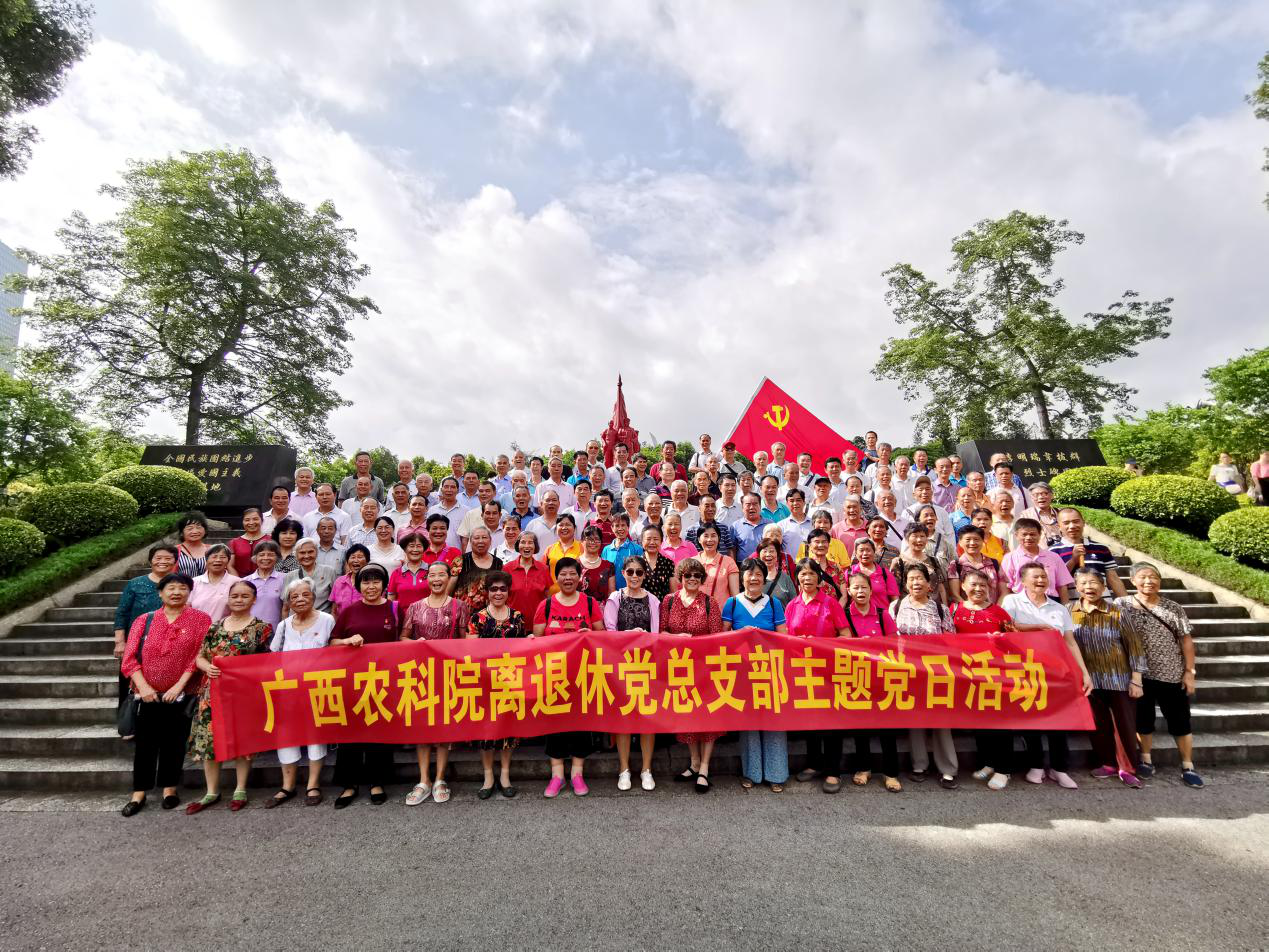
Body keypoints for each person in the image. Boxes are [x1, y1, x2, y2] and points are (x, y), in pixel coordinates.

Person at [119, 572, 211, 816]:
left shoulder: (201, 620)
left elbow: (199, 656)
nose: (176, 592)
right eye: (171, 588)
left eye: (182, 588)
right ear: (160, 593)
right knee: (145, 744)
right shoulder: (144, 620)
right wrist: (144, 687)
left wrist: (178, 686)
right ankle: (139, 792)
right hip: (146, 694)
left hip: (182, 693)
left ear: (189, 592)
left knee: (175, 742)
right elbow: (129, 658)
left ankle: (170, 788)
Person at [186, 579, 272, 814]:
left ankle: (240, 789)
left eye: (245, 596)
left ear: (254, 600)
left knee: (242, 739)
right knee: (210, 740)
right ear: (228, 599)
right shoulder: (215, 626)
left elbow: (267, 661)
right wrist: (207, 667)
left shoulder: (262, 628)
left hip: (245, 693)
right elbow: (200, 657)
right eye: (234, 596)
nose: (239, 600)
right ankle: (211, 791)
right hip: (212, 693)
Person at [1114, 562, 1204, 787]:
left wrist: (1190, 672)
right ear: (1132, 581)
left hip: (1171, 674)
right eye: (1143, 577)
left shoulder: (1173, 607)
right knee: (1143, 721)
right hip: (1137, 676)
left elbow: (1186, 640)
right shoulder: (1122, 605)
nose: (1148, 581)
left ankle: (1187, 765)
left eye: (1153, 577)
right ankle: (1146, 760)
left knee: (1180, 721)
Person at [1002, 563, 1090, 789]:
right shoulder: (1012, 601)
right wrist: (1040, 626)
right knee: (1031, 720)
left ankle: (1059, 768)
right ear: (1022, 581)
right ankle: (1036, 765)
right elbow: (1009, 627)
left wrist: (1084, 673)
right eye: (1035, 577)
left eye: (1043, 576)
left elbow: (1070, 642)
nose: (1041, 580)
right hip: (1024, 671)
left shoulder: (1059, 608)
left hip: (1056, 672)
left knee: (1059, 721)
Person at [533, 558, 606, 798]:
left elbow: (602, 634)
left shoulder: (589, 602)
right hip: (553, 675)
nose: (567, 578)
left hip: (582, 674)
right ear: (556, 578)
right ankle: (557, 775)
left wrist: (589, 635)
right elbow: (536, 639)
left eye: (572, 574)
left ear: (579, 577)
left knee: (580, 722)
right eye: (563, 574)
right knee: (554, 722)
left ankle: (577, 773)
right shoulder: (545, 605)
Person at [1069, 569, 1147, 788]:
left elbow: (1135, 646)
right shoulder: (1069, 611)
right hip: (1088, 681)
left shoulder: (1117, 612)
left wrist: (1137, 679)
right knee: (1097, 724)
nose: (1089, 587)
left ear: (1103, 587)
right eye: (1084, 583)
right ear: (1077, 587)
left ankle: (1128, 768)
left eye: (1094, 582)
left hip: (1118, 679)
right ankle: (1107, 763)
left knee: (1124, 726)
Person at [329, 564, 399, 808]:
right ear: (359, 586)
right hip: (353, 680)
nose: (371, 587)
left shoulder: (394, 609)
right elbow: (332, 642)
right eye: (366, 582)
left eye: (376, 581)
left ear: (384, 585)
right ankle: (349, 784)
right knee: (351, 732)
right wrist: (347, 641)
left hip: (384, 679)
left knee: (379, 731)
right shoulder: (349, 611)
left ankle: (377, 782)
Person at [401, 561, 470, 805]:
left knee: (443, 727)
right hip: (421, 674)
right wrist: (417, 644)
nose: (437, 579)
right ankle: (423, 780)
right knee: (423, 727)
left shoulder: (460, 606)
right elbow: (403, 638)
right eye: (432, 575)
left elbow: (465, 641)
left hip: (448, 673)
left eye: (442, 575)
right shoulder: (414, 607)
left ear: (449, 578)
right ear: (426, 579)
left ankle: (440, 778)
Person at [266, 579, 336, 807]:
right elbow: (274, 656)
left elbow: (335, 651)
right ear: (288, 601)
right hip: (287, 690)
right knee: (286, 735)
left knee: (315, 735)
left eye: (305, 594)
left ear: (314, 597)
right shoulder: (284, 625)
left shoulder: (327, 620)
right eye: (294, 596)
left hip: (317, 688)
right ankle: (287, 786)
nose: (300, 599)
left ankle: (313, 784)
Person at [722, 558, 790, 791]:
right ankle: (751, 773)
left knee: (774, 721)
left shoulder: (773, 603)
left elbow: (783, 637)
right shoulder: (732, 603)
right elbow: (722, 637)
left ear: (764, 578)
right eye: (749, 574)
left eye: (758, 574)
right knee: (749, 722)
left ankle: (776, 774)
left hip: (770, 670)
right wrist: (740, 634)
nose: (754, 578)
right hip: (742, 672)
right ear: (742, 578)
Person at [890, 563, 958, 789]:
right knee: (915, 719)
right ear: (905, 584)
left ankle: (948, 768)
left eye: (920, 578)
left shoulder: (940, 609)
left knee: (941, 720)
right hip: (908, 670)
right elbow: (889, 638)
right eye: (911, 579)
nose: (915, 582)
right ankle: (919, 764)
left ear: (930, 585)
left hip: (936, 671)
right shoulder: (896, 607)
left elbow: (951, 639)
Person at [661, 558, 725, 794]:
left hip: (705, 668)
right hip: (680, 668)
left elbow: (717, 637)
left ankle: (704, 768)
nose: (692, 579)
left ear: (702, 579)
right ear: (681, 577)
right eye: (688, 575)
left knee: (707, 718)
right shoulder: (669, 601)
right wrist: (677, 639)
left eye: (697, 576)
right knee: (688, 716)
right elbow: (662, 632)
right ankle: (694, 762)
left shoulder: (710, 603)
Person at [786, 559, 850, 793]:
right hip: (802, 672)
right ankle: (814, 764)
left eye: (811, 573)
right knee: (809, 720)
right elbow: (786, 638)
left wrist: (821, 644)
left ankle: (833, 771)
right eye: (802, 574)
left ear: (819, 577)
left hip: (828, 671)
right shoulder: (792, 605)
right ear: (797, 578)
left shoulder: (830, 603)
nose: (807, 578)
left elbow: (846, 636)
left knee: (832, 722)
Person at [952, 570, 1018, 790]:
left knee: (1001, 722)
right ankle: (988, 762)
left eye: (983, 585)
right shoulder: (954, 610)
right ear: (963, 586)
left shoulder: (999, 612)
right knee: (979, 721)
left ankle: (1004, 769)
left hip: (995, 674)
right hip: (967, 675)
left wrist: (1003, 640)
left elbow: (1015, 642)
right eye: (973, 584)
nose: (978, 589)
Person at [466, 571, 526, 799]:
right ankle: (488, 776)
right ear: (487, 592)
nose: (498, 593)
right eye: (493, 589)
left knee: (509, 730)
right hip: (485, 681)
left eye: (502, 589)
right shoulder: (477, 618)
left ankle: (505, 775)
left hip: (511, 680)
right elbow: (471, 651)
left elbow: (524, 649)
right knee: (486, 731)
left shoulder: (518, 616)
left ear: (508, 591)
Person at [603, 555, 661, 792]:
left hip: (647, 664)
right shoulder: (615, 598)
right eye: (630, 572)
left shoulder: (653, 600)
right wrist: (631, 635)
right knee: (624, 718)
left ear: (645, 575)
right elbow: (609, 632)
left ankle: (647, 769)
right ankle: (624, 769)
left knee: (647, 718)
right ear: (623, 574)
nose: (634, 576)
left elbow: (656, 634)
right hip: (621, 665)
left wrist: (644, 639)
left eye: (639, 572)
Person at [841, 572, 902, 791]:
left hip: (883, 675)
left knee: (888, 727)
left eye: (864, 587)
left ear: (871, 590)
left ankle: (891, 772)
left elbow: (895, 644)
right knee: (861, 726)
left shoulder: (883, 614)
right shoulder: (844, 615)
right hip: (857, 675)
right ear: (849, 591)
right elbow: (839, 644)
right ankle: (863, 768)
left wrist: (876, 646)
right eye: (855, 588)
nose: (860, 591)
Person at [113, 545, 178, 712]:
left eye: (168, 558)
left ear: (175, 562)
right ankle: (127, 718)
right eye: (158, 558)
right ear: (150, 561)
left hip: (169, 643)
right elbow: (122, 612)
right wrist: (120, 642)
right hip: (138, 643)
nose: (162, 561)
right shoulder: (135, 584)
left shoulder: (180, 584)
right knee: (129, 682)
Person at [1050, 508, 1127, 597]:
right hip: (1072, 603)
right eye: (1066, 523)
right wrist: (1073, 560)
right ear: (1058, 526)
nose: (1072, 526)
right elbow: (1055, 580)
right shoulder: (1053, 552)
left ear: (1083, 522)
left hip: (1103, 602)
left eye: (1076, 521)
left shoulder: (1101, 548)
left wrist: (1126, 602)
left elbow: (1113, 578)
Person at [1001, 518, 1074, 603]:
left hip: (1051, 601)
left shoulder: (1053, 557)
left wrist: (1065, 607)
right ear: (1016, 535)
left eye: (1032, 534)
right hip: (1021, 602)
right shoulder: (1009, 558)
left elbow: (1062, 586)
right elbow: (1006, 586)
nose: (1028, 538)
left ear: (1040, 535)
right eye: (1024, 534)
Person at [891, 524, 951, 603]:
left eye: (922, 536)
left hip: (933, 606)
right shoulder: (899, 562)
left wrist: (944, 607)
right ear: (907, 539)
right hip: (910, 607)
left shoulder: (933, 560)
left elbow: (940, 587)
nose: (919, 540)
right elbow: (894, 590)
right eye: (915, 536)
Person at [449, 526, 503, 613]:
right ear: (470, 541)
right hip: (461, 613)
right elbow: (449, 589)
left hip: (489, 614)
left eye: (484, 537)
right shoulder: (460, 560)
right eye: (476, 538)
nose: (480, 541)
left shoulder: (498, 563)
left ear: (490, 541)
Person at [948, 526, 1004, 604]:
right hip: (967, 610)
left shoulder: (994, 563)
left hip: (993, 609)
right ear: (960, 542)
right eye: (968, 539)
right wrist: (972, 609)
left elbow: (1003, 591)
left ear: (983, 541)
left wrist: (995, 609)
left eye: (976, 539)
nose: (972, 543)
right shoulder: (956, 565)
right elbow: (955, 595)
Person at [506, 531, 551, 622]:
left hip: (538, 622)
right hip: (512, 623)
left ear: (535, 546)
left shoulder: (544, 569)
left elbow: (548, 598)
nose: (526, 546)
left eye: (530, 542)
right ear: (518, 545)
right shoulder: (507, 568)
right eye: (523, 542)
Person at [283, 538, 338, 613]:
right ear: (296, 555)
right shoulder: (290, 576)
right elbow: (286, 607)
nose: (306, 556)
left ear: (317, 553)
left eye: (310, 552)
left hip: (322, 618)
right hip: (297, 618)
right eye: (302, 553)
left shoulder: (329, 572)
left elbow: (335, 604)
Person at [847, 537, 898, 609]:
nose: (865, 553)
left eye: (868, 550)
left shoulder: (885, 573)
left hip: (881, 614)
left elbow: (894, 600)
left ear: (874, 552)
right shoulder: (850, 572)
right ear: (856, 553)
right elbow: (844, 597)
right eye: (861, 550)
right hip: (856, 615)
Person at [243, 540, 285, 627]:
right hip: (250, 629)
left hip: (276, 629)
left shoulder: (285, 579)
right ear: (255, 558)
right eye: (261, 555)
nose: (266, 558)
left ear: (277, 558)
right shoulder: (245, 581)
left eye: (270, 555)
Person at [190, 544, 235, 623]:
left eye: (223, 557)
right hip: (197, 627)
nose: (218, 560)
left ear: (228, 560)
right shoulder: (194, 582)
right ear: (206, 559)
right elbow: (187, 607)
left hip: (224, 628)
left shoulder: (236, 582)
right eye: (214, 557)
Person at [386, 533, 429, 614]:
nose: (415, 550)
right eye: (411, 546)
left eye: (419, 546)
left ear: (424, 549)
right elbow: (391, 598)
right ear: (405, 549)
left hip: (427, 617)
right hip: (403, 618)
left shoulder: (432, 571)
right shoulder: (396, 573)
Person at [574, 525, 615, 601]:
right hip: (579, 607)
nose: (593, 542)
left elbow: (611, 594)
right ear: (582, 541)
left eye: (597, 539)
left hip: (602, 608)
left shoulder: (609, 566)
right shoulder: (574, 564)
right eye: (589, 539)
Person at [330, 544, 370, 619]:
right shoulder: (339, 582)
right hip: (342, 624)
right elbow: (334, 610)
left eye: (360, 557)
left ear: (367, 561)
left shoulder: (373, 583)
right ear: (347, 561)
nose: (356, 560)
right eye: (352, 557)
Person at [602, 512, 643, 584]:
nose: (620, 529)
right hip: (610, 589)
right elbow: (603, 572)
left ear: (628, 527)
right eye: (617, 526)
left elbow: (640, 573)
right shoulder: (606, 550)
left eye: (623, 525)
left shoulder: (637, 549)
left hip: (630, 589)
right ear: (612, 528)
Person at [639, 525, 678, 600]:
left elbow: (673, 591)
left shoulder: (668, 563)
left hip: (663, 606)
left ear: (661, 542)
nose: (652, 542)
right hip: (641, 605)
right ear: (642, 542)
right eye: (648, 539)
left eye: (656, 539)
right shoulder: (637, 563)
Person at [755, 536, 797, 605]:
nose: (768, 554)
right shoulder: (754, 578)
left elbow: (794, 603)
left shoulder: (785, 578)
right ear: (759, 555)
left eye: (772, 551)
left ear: (777, 555)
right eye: (765, 551)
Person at [1019, 482, 1061, 547]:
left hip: (1064, 550)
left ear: (1052, 495)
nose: (1041, 497)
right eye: (1036, 495)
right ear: (1031, 498)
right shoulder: (1025, 515)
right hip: (1039, 551)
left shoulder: (1060, 512)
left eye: (1045, 493)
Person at [228, 508, 267, 577]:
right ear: (242, 522)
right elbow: (230, 566)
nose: (251, 523)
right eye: (247, 520)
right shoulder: (234, 542)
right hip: (240, 580)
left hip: (266, 579)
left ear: (262, 520)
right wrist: (239, 581)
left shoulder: (271, 540)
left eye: (255, 519)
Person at [175, 512, 211, 576]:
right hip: (181, 582)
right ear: (182, 532)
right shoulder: (174, 550)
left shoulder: (212, 550)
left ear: (205, 530)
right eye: (190, 528)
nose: (195, 531)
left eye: (198, 527)